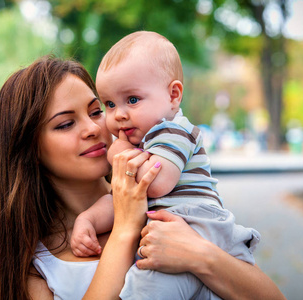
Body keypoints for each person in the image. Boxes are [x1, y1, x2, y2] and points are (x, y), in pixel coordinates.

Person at [0, 55, 285, 300]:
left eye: (96, 111)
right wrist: (124, 229)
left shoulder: (169, 198)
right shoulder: (35, 266)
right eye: (66, 124)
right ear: (29, 149)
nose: (94, 128)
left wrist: (198, 254)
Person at [71, 31, 260, 299]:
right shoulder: (142, 145)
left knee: (145, 288)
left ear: (173, 95)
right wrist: (88, 219)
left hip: (197, 225)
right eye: (110, 104)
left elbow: (156, 184)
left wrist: (119, 154)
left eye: (132, 100)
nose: (120, 114)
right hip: (175, 232)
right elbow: (121, 202)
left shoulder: (173, 130)